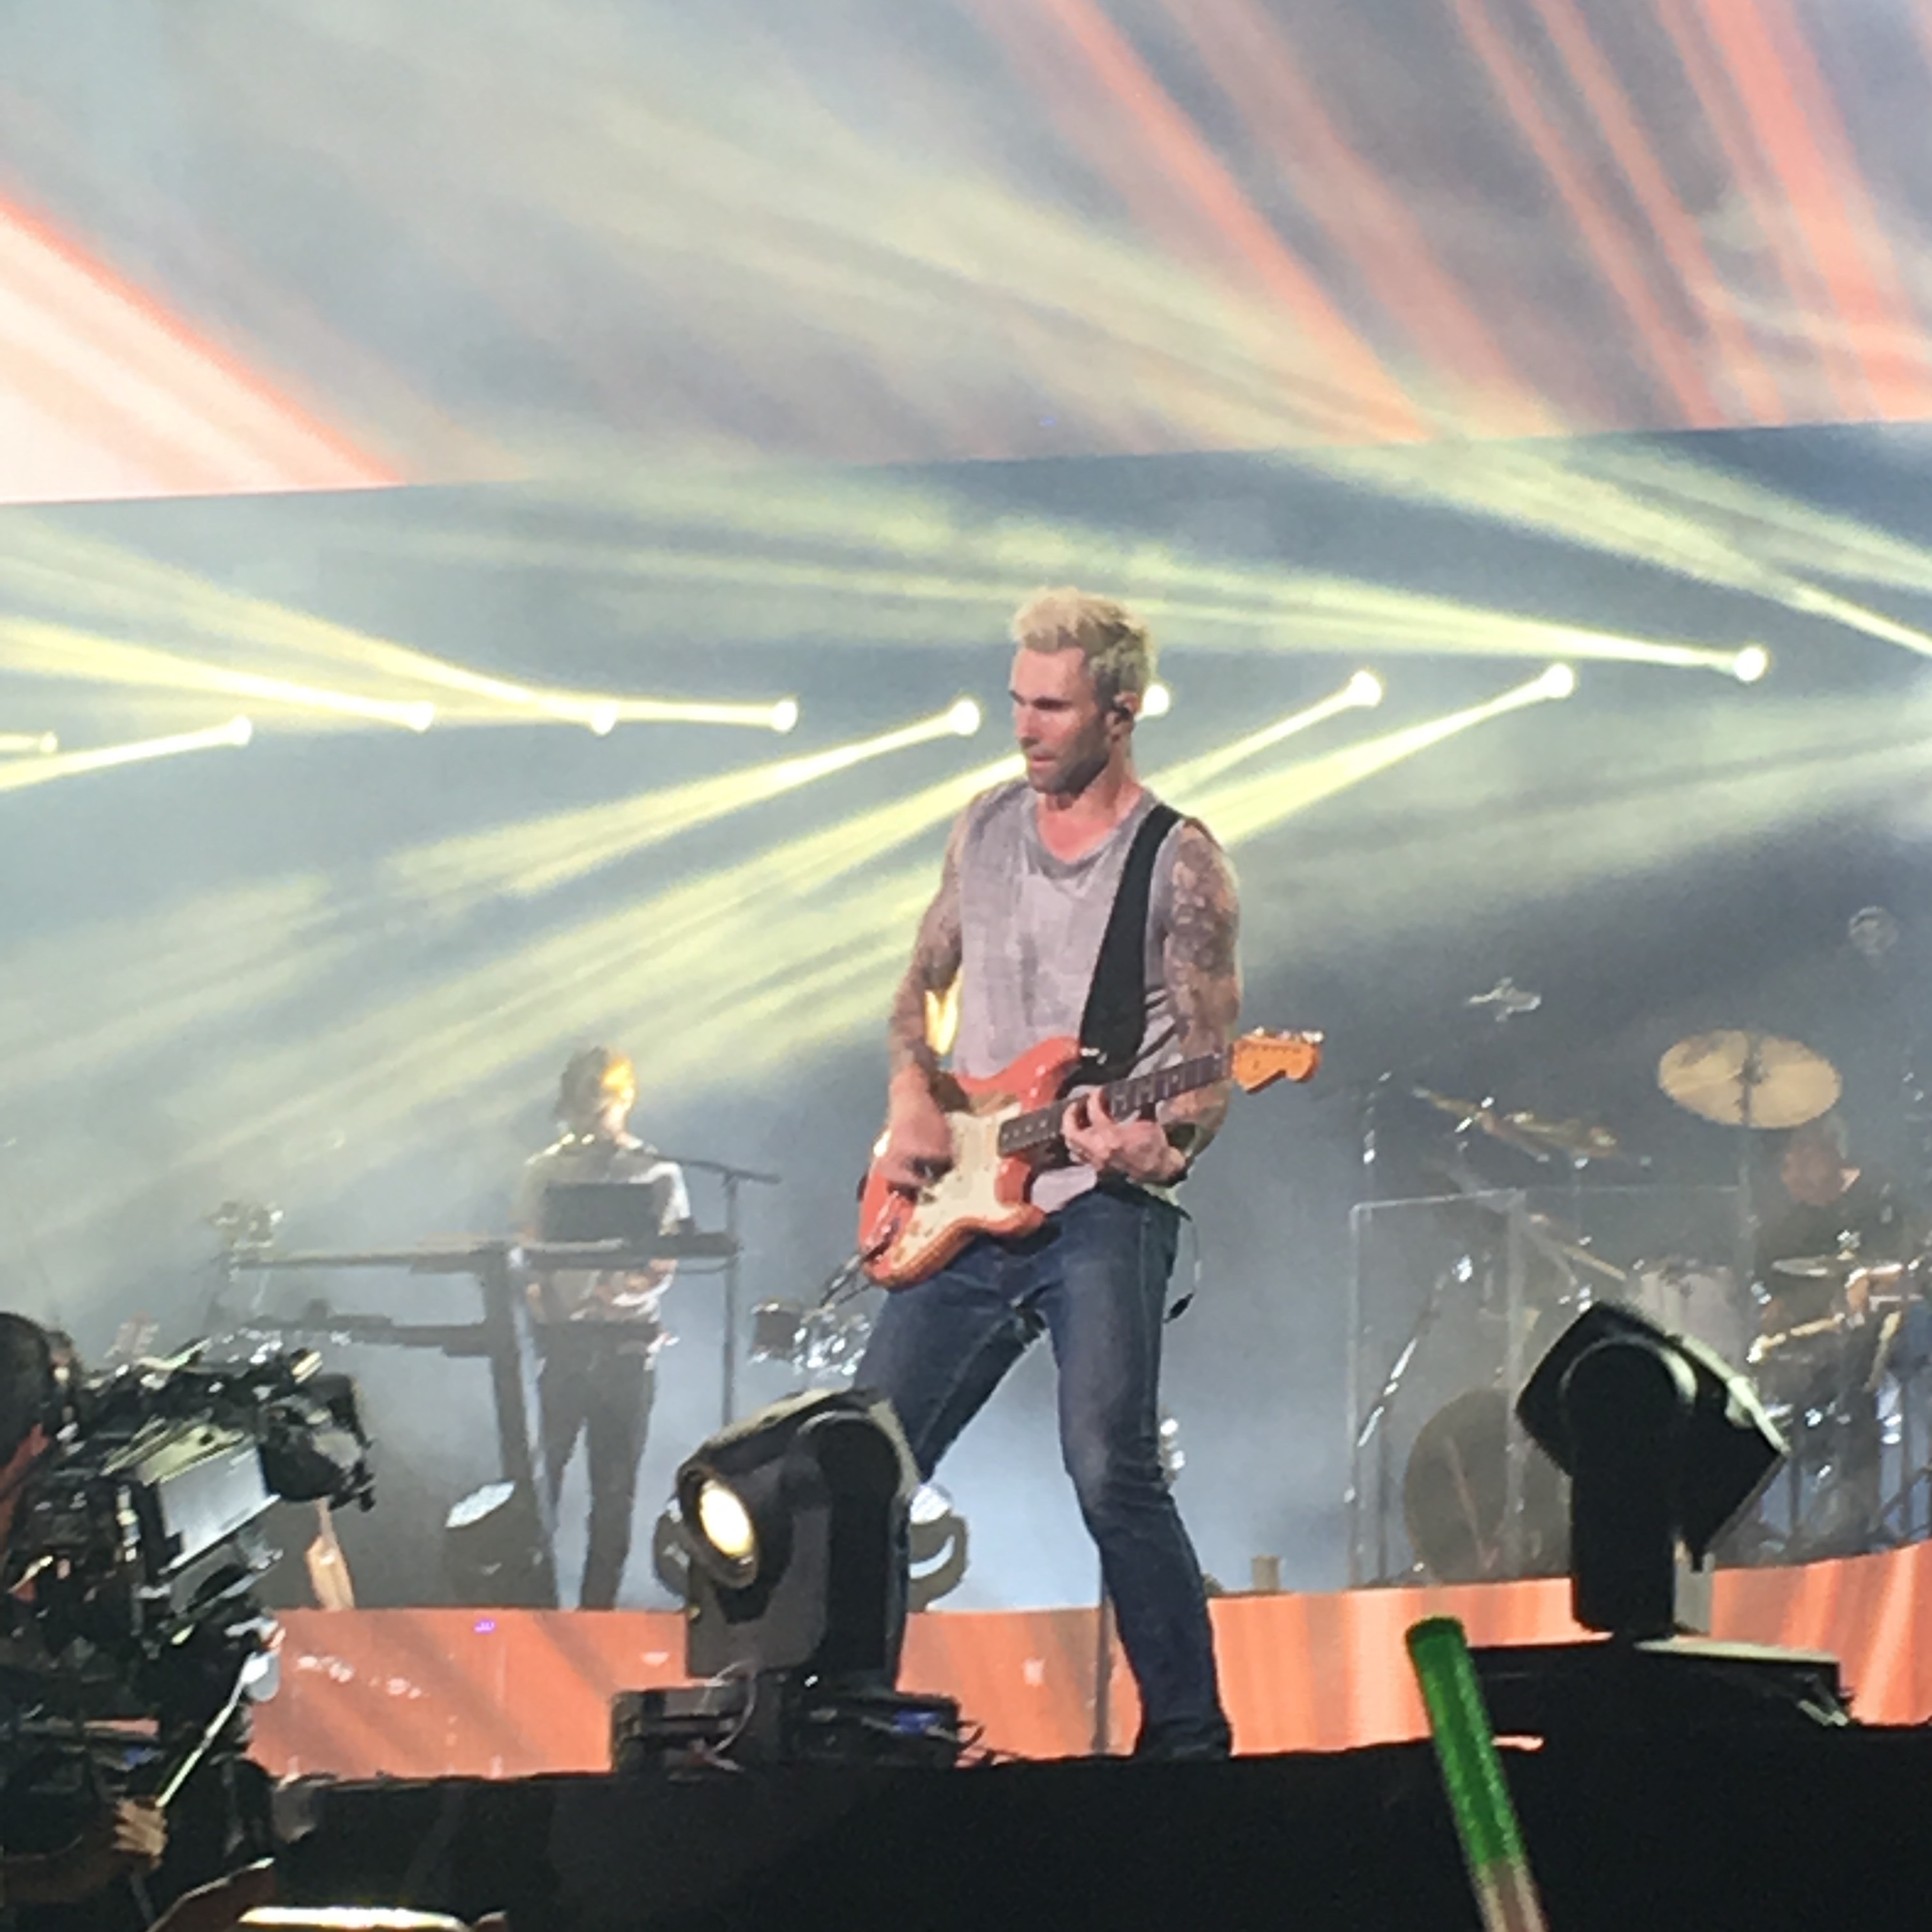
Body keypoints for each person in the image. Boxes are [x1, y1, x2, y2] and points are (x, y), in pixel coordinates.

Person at [857, 587, 1240, 1759]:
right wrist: (911, 1094)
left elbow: (1208, 1073)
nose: (1023, 726)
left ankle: (1188, 1740)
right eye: (1018, 700)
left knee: (1109, 1468)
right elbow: (919, 983)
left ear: (1120, 712)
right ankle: (841, 1717)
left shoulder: (1179, 862)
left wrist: (1162, 1145)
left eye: (1051, 707)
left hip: (1100, 1206)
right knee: (860, 1466)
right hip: (962, 1198)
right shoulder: (982, 826)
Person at [516, 1048, 691, 1610]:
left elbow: (664, 1262)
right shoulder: (544, 1171)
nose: (588, 1115)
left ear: (624, 1100)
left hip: (626, 1346)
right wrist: (543, 1304)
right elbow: (526, 1251)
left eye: (598, 1103)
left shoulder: (657, 1172)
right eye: (578, 1104)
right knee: (541, 1478)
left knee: (614, 1489)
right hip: (562, 1345)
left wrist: (612, 1294)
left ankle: (598, 1611)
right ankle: (532, 1602)